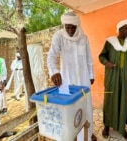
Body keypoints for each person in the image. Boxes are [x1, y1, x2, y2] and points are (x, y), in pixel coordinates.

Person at [47, 11, 96, 141]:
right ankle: (72, 136)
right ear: (64, 25)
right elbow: (51, 56)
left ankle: (88, 134)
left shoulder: (83, 38)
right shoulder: (59, 36)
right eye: (67, 27)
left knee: (85, 106)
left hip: (84, 78)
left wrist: (91, 74)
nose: (70, 30)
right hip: (67, 79)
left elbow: (89, 58)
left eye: (72, 27)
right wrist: (54, 71)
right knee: (70, 109)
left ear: (77, 26)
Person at [99, 19, 127, 139]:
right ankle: (107, 126)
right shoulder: (110, 42)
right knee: (110, 100)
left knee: (123, 100)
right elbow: (101, 56)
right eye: (125, 28)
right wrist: (107, 63)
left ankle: (121, 128)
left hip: (124, 77)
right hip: (112, 75)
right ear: (119, 29)